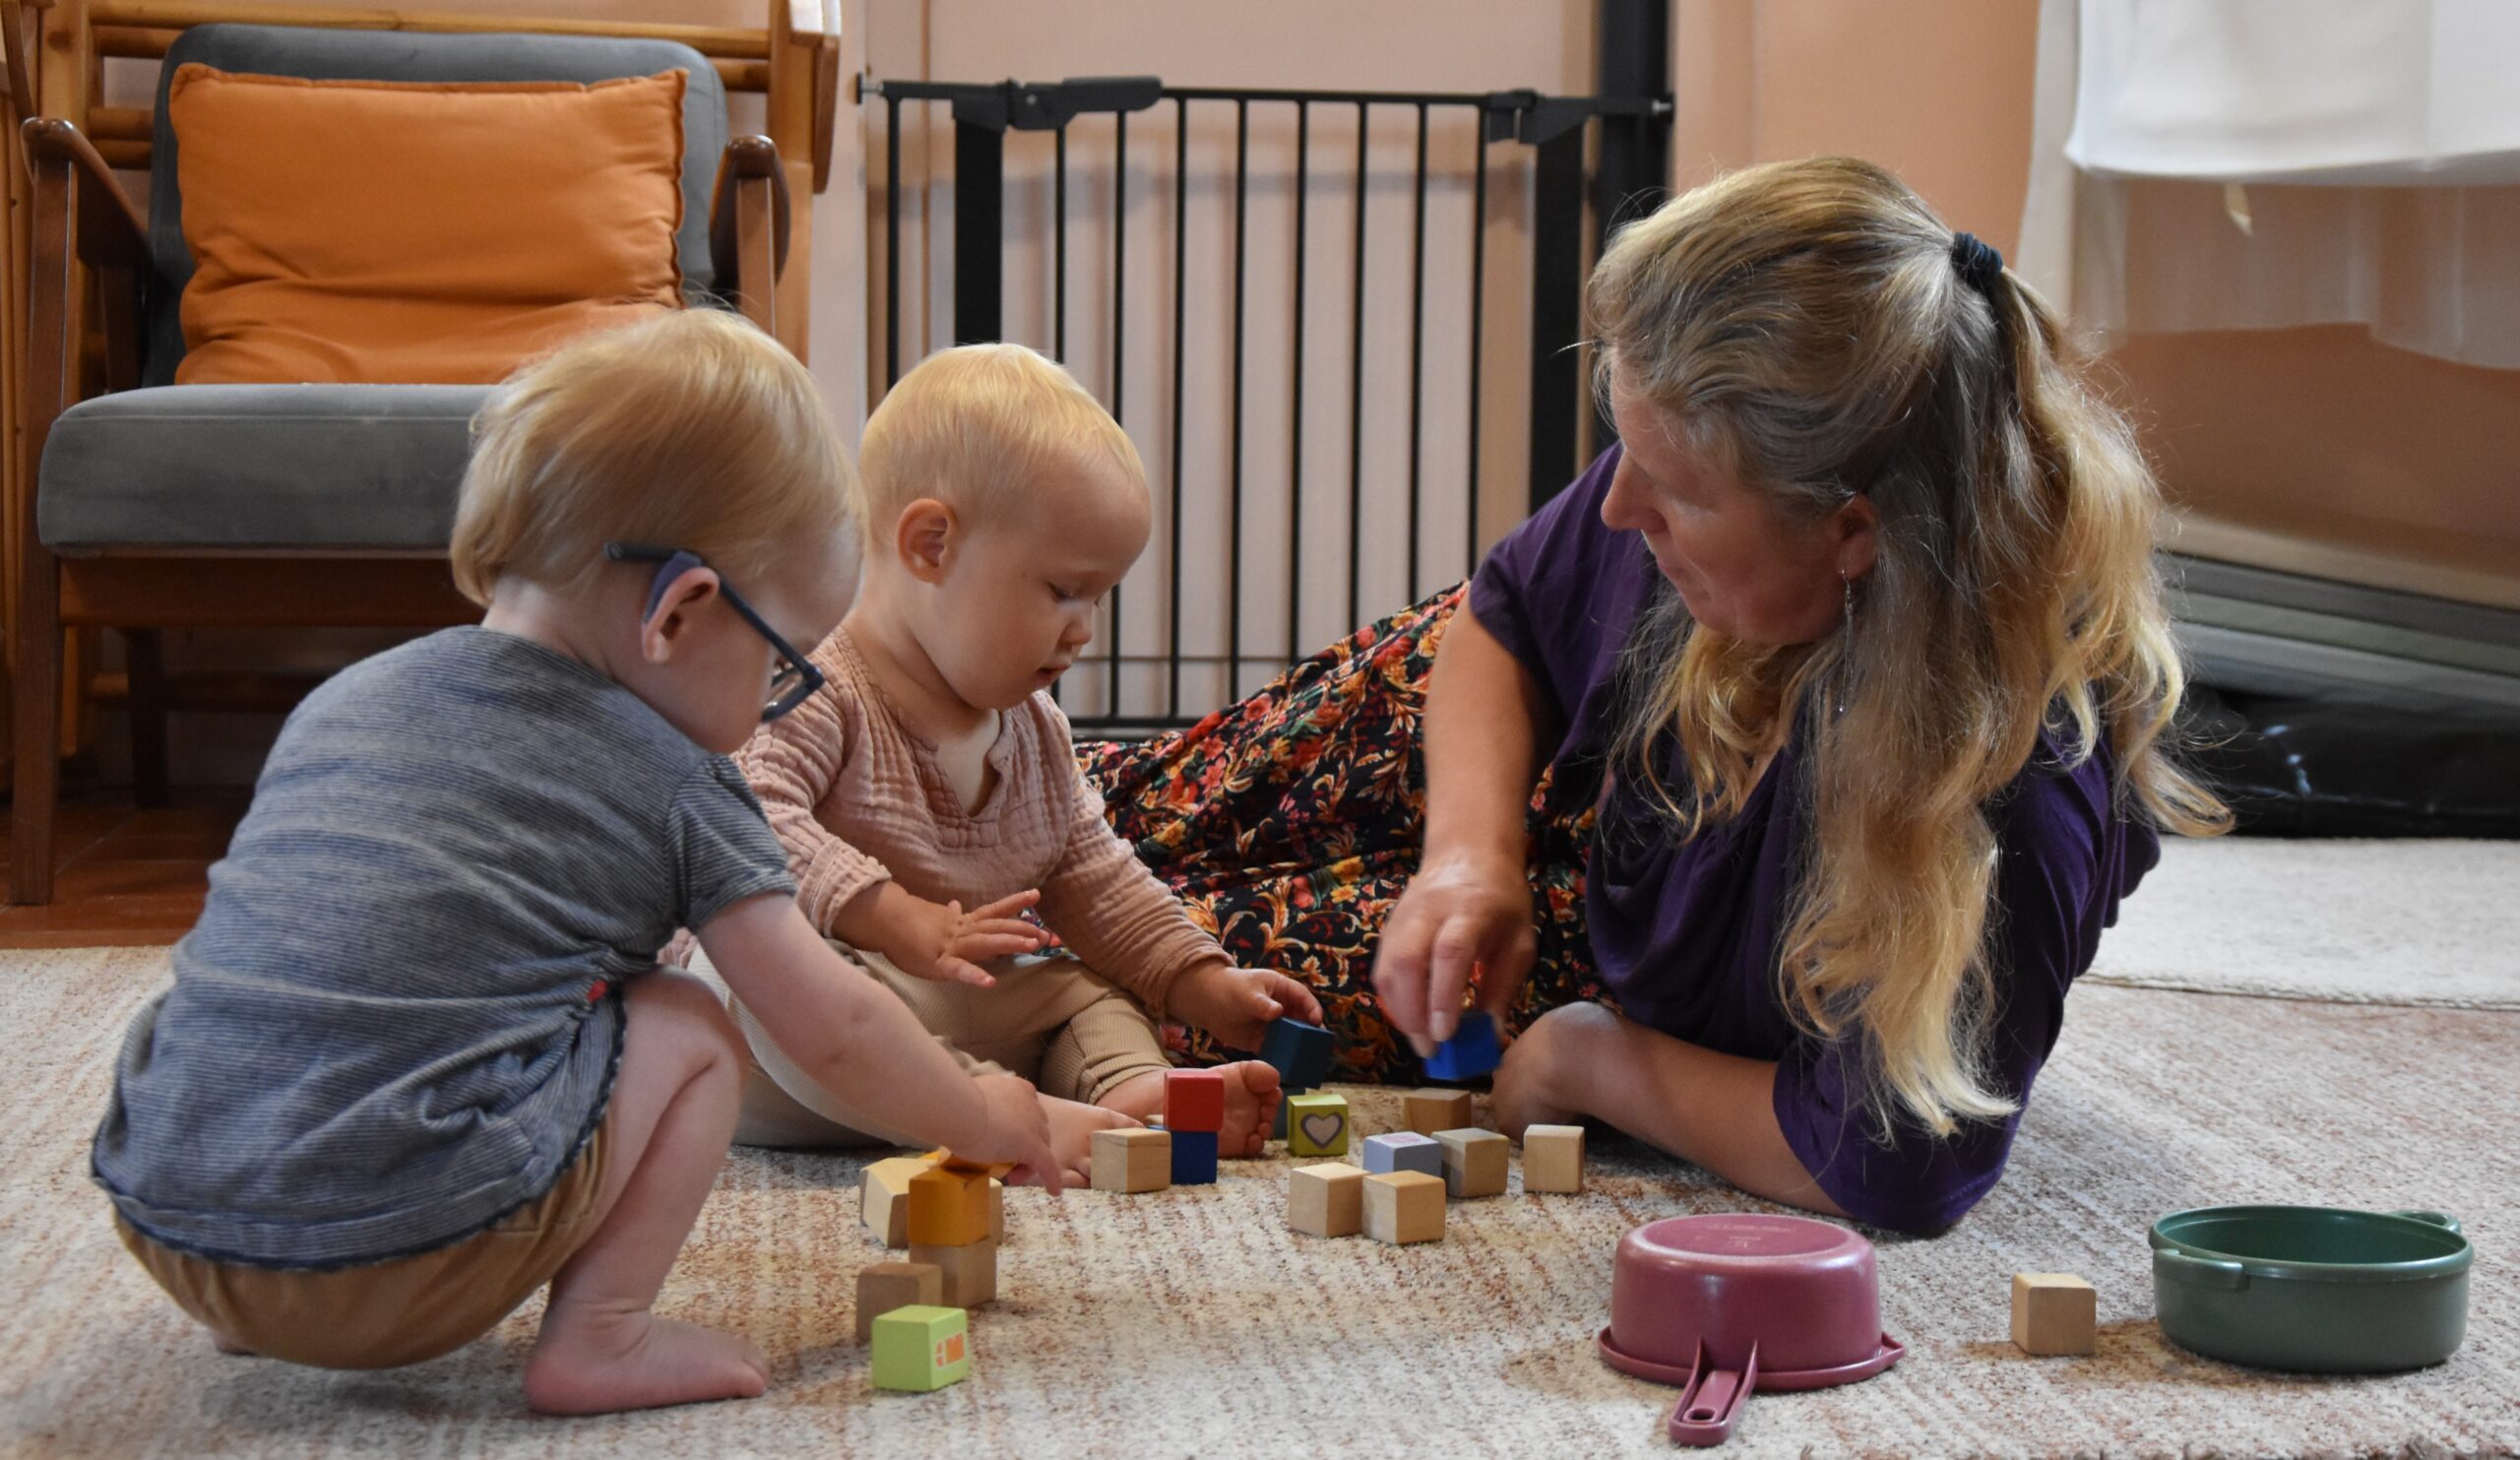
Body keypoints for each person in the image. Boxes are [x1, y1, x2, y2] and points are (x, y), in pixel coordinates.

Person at [1092, 157, 2228, 1236]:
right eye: (1619, 454)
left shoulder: (2008, 796)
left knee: (1165, 976)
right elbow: (1506, 615)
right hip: (1557, 758)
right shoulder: (1706, 485)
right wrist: (1467, 858)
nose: (1614, 510)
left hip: (1634, 959)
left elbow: (1896, 1158)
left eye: (1674, 493)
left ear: (1852, 531)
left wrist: (1597, 1059)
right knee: (1069, 827)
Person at [90, 310, 1062, 1417]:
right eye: (785, 668)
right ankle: (599, 1337)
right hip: (403, 1265)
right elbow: (829, 1022)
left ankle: (256, 1299)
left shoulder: (342, 701)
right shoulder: (682, 783)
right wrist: (980, 1112)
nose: (774, 706)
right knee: (692, 1020)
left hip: (173, 1218)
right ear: (682, 611)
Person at [685, 344, 1321, 1170]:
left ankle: (1129, 1090)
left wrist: (1200, 979)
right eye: (1062, 591)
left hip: (959, 1006)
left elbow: (1098, 878)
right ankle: (984, 1111)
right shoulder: (817, 682)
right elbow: (742, 816)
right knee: (755, 969)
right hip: (808, 1048)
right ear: (930, 545)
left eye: (1099, 597)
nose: (1084, 629)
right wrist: (884, 912)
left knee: (1082, 986)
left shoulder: (1037, 730)